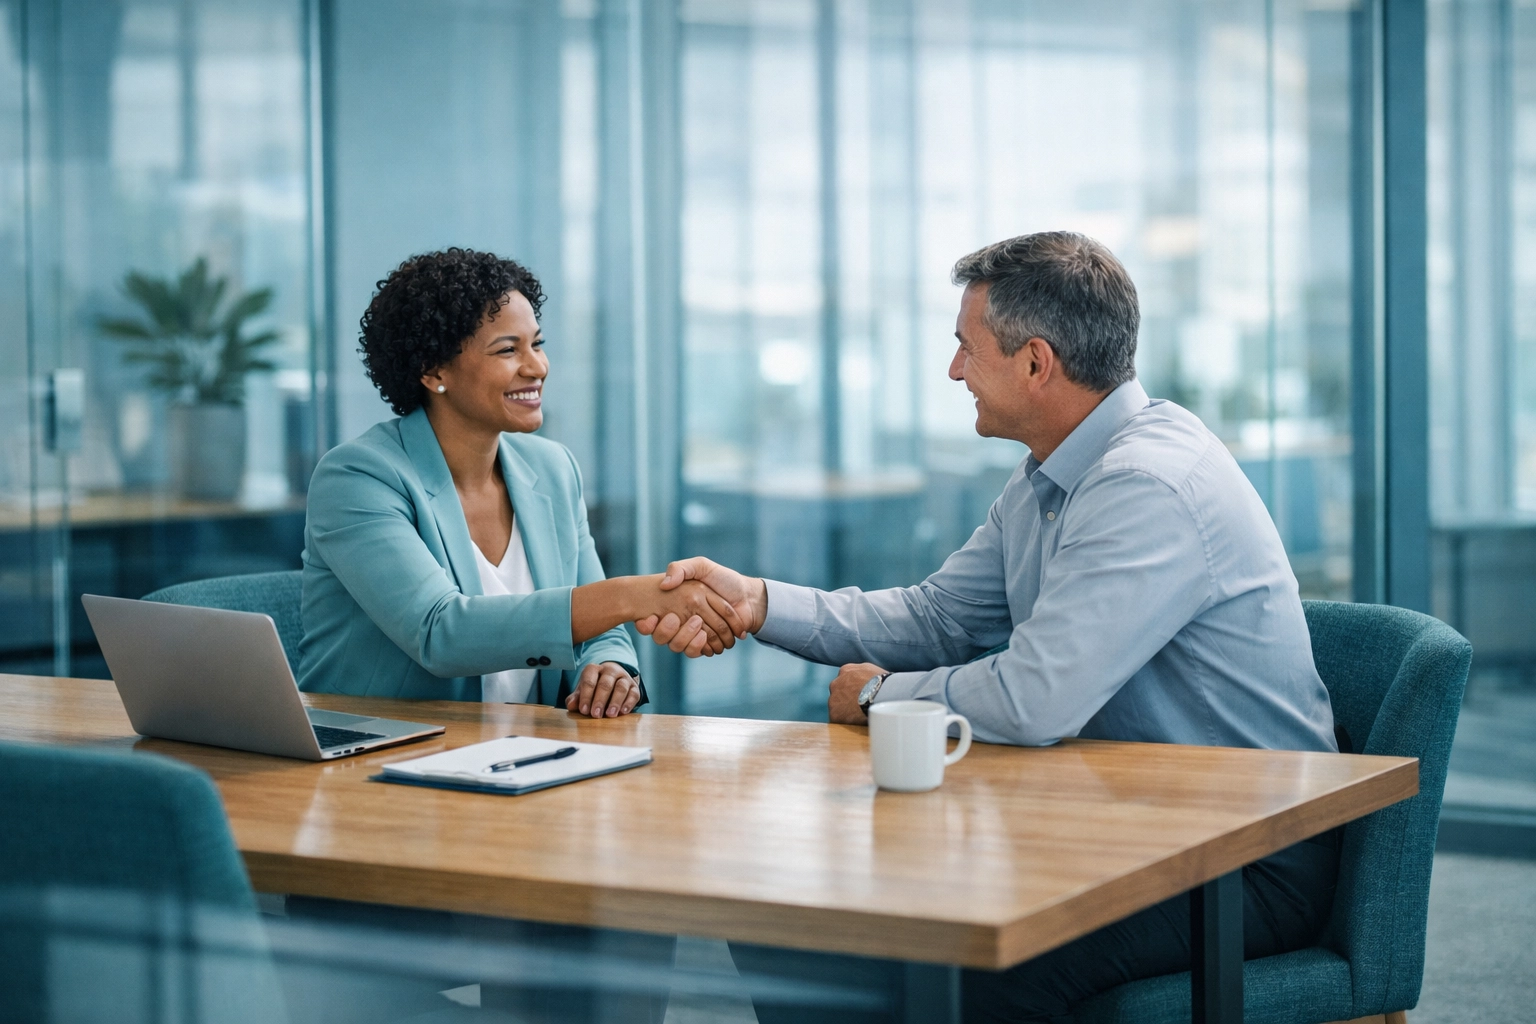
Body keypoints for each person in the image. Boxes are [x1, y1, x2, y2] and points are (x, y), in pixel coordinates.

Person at [641, 232, 1340, 1022]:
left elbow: (1036, 698)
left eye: (965, 350)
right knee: (788, 916)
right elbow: (939, 615)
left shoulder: (1146, 485)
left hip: (1237, 860)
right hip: (1114, 823)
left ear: (1035, 363)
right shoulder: (1051, 470)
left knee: (974, 963)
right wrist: (760, 602)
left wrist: (881, 698)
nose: (953, 372)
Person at [299, 248, 743, 717]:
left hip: (522, 756)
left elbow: (601, 628)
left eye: (538, 343)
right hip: (378, 759)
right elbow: (441, 633)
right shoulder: (357, 478)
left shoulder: (552, 469)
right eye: (508, 350)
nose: (537, 367)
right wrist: (636, 595)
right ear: (433, 371)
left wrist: (610, 666)